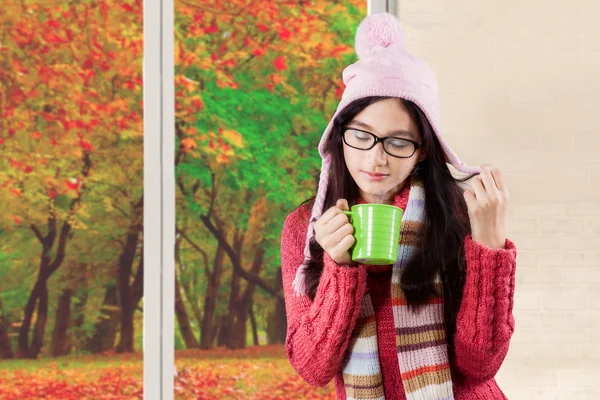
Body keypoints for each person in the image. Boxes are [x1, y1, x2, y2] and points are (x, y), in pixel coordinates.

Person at [280, 12, 517, 400]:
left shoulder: (456, 215)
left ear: (423, 149)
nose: (376, 159)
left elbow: (480, 366)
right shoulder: (306, 226)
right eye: (362, 135)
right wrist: (339, 267)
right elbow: (312, 367)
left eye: (398, 142)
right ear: (339, 136)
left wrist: (490, 248)